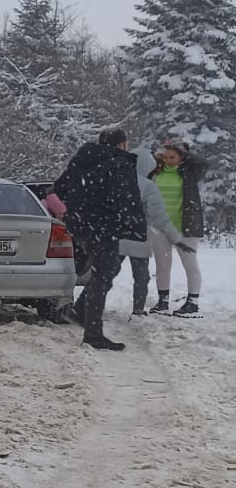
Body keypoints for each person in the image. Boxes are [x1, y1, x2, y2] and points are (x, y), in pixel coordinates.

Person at [51, 127, 145, 351]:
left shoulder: (82, 160)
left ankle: (81, 310)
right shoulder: (119, 162)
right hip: (105, 226)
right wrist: (136, 226)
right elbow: (127, 198)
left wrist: (77, 209)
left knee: (106, 269)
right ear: (121, 144)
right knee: (104, 274)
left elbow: (60, 188)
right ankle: (92, 332)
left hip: (81, 226)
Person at [120, 148, 188, 316]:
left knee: (104, 274)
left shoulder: (117, 181)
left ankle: (87, 306)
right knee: (141, 276)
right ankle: (138, 309)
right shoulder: (148, 186)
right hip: (140, 237)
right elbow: (157, 215)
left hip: (117, 237)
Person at [148, 139, 207, 316]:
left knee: (190, 264)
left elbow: (203, 162)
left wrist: (183, 151)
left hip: (185, 228)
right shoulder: (155, 172)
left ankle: (193, 303)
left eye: (173, 157)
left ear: (182, 158)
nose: (168, 160)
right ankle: (163, 301)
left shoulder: (189, 172)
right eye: (165, 157)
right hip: (160, 228)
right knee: (162, 266)